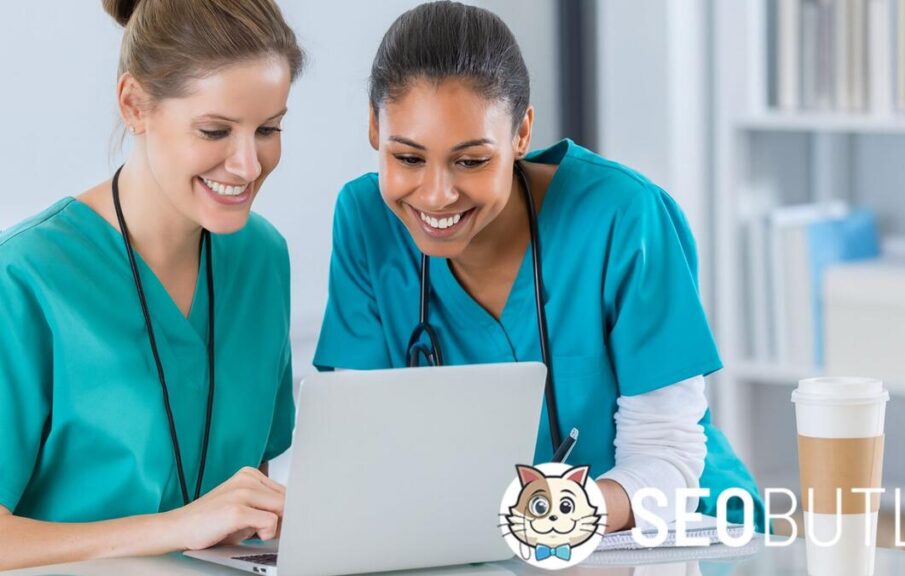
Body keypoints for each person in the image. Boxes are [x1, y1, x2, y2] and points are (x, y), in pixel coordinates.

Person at [314, 1, 765, 534]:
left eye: (472, 160)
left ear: (522, 133)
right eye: (409, 158)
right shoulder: (366, 220)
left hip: (662, 530)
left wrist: (547, 526)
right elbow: (364, 445)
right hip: (487, 545)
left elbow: (667, 455)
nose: (436, 195)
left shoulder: (624, 216)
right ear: (374, 128)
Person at [0, 0, 304, 569]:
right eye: (215, 130)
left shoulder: (263, 258)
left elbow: (250, 484)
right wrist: (175, 527)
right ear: (135, 104)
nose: (247, 164)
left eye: (268, 129)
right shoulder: (22, 280)